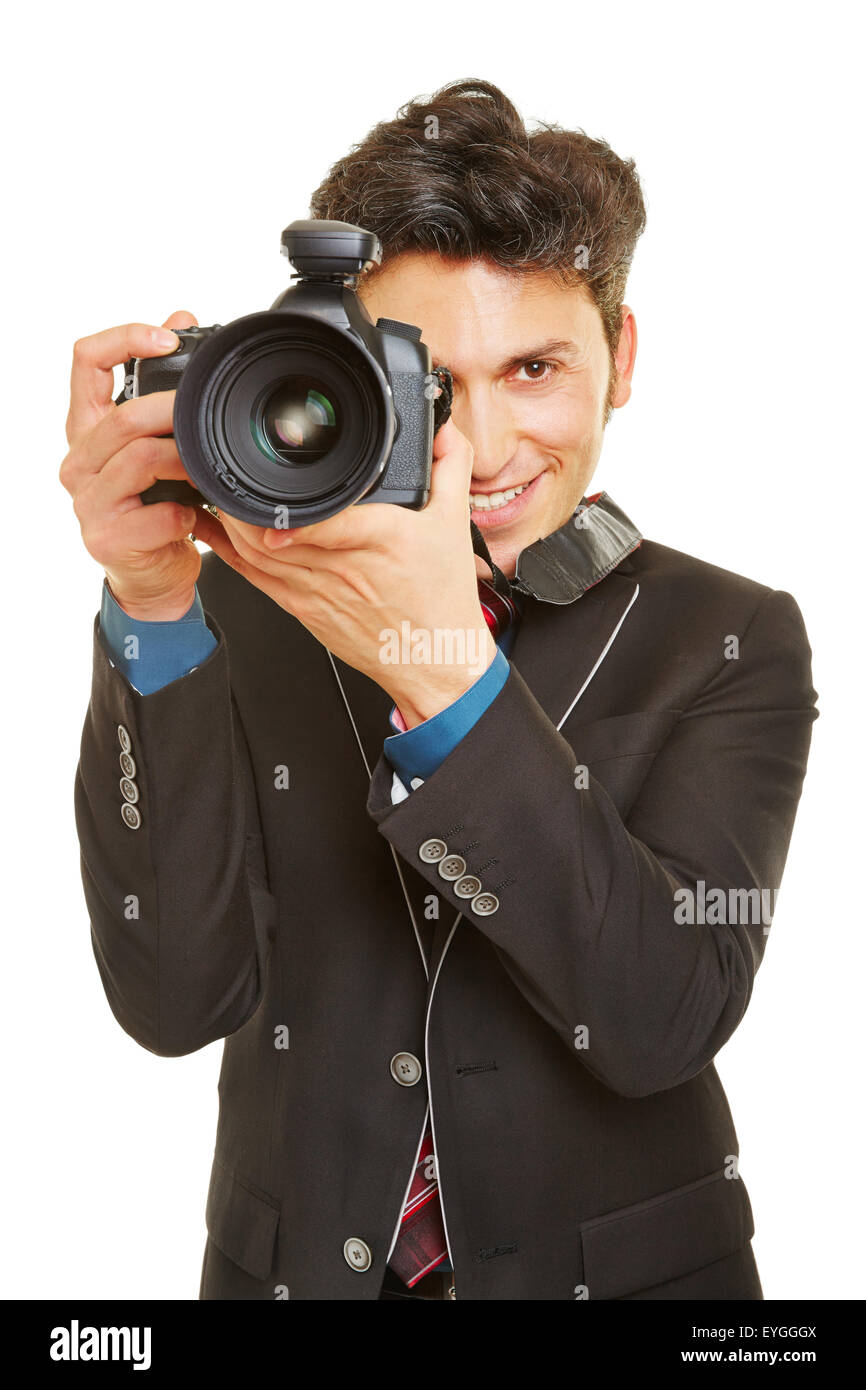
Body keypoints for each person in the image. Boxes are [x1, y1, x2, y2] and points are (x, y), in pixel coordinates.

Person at [61, 78, 818, 1301]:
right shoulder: (246, 607)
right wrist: (153, 602)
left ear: (617, 358)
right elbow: (170, 1000)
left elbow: (660, 1014)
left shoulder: (729, 637)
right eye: (429, 383)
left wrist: (442, 669)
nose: (482, 447)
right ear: (349, 371)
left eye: (534, 368)